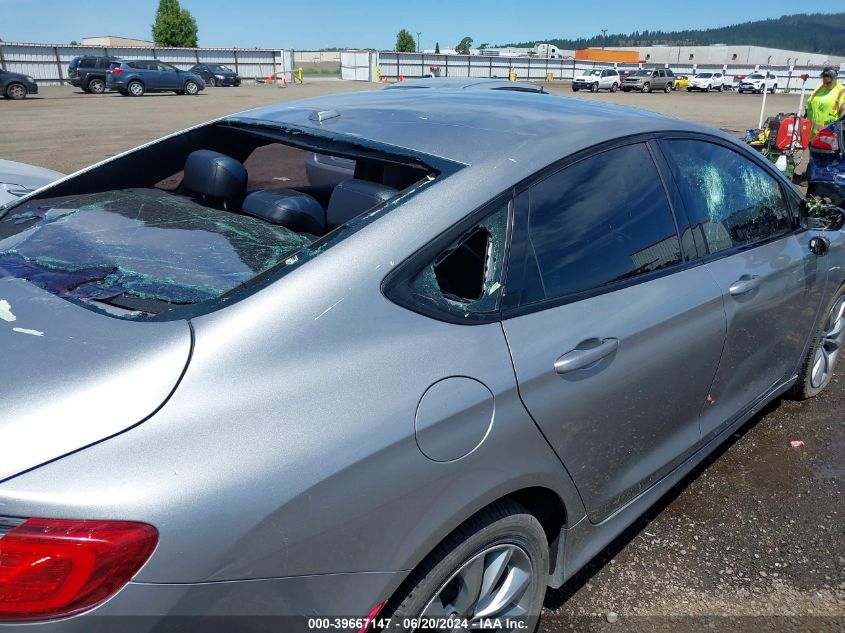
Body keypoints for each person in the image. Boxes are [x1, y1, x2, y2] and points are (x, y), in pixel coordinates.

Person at [806, 67, 845, 139]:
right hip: (811, 134)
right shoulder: (820, 87)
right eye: (824, 81)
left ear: (836, 78)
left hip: (828, 136)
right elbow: (810, 102)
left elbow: (843, 115)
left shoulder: (841, 91)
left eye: (828, 82)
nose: (825, 84)